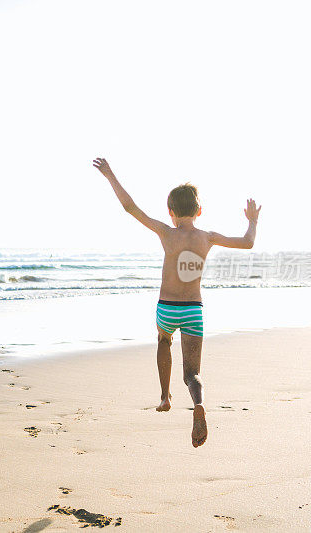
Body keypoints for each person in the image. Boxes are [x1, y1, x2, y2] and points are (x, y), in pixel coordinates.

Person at [92, 157, 261, 447]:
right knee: (193, 373)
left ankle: (164, 397)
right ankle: (197, 405)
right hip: (194, 311)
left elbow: (130, 207)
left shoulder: (166, 232)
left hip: (167, 309)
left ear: (170, 212)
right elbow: (247, 243)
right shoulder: (208, 237)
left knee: (163, 341)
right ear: (199, 210)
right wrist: (253, 221)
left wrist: (110, 175)